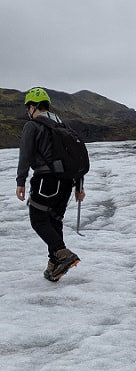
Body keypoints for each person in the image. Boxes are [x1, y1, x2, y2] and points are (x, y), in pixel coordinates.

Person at [16, 87, 84, 282]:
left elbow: (25, 155)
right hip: (66, 184)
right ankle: (54, 265)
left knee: (38, 220)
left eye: (27, 107)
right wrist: (79, 187)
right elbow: (75, 158)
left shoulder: (34, 125)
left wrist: (20, 182)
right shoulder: (62, 126)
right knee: (54, 221)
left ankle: (62, 253)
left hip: (45, 181)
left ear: (32, 106)